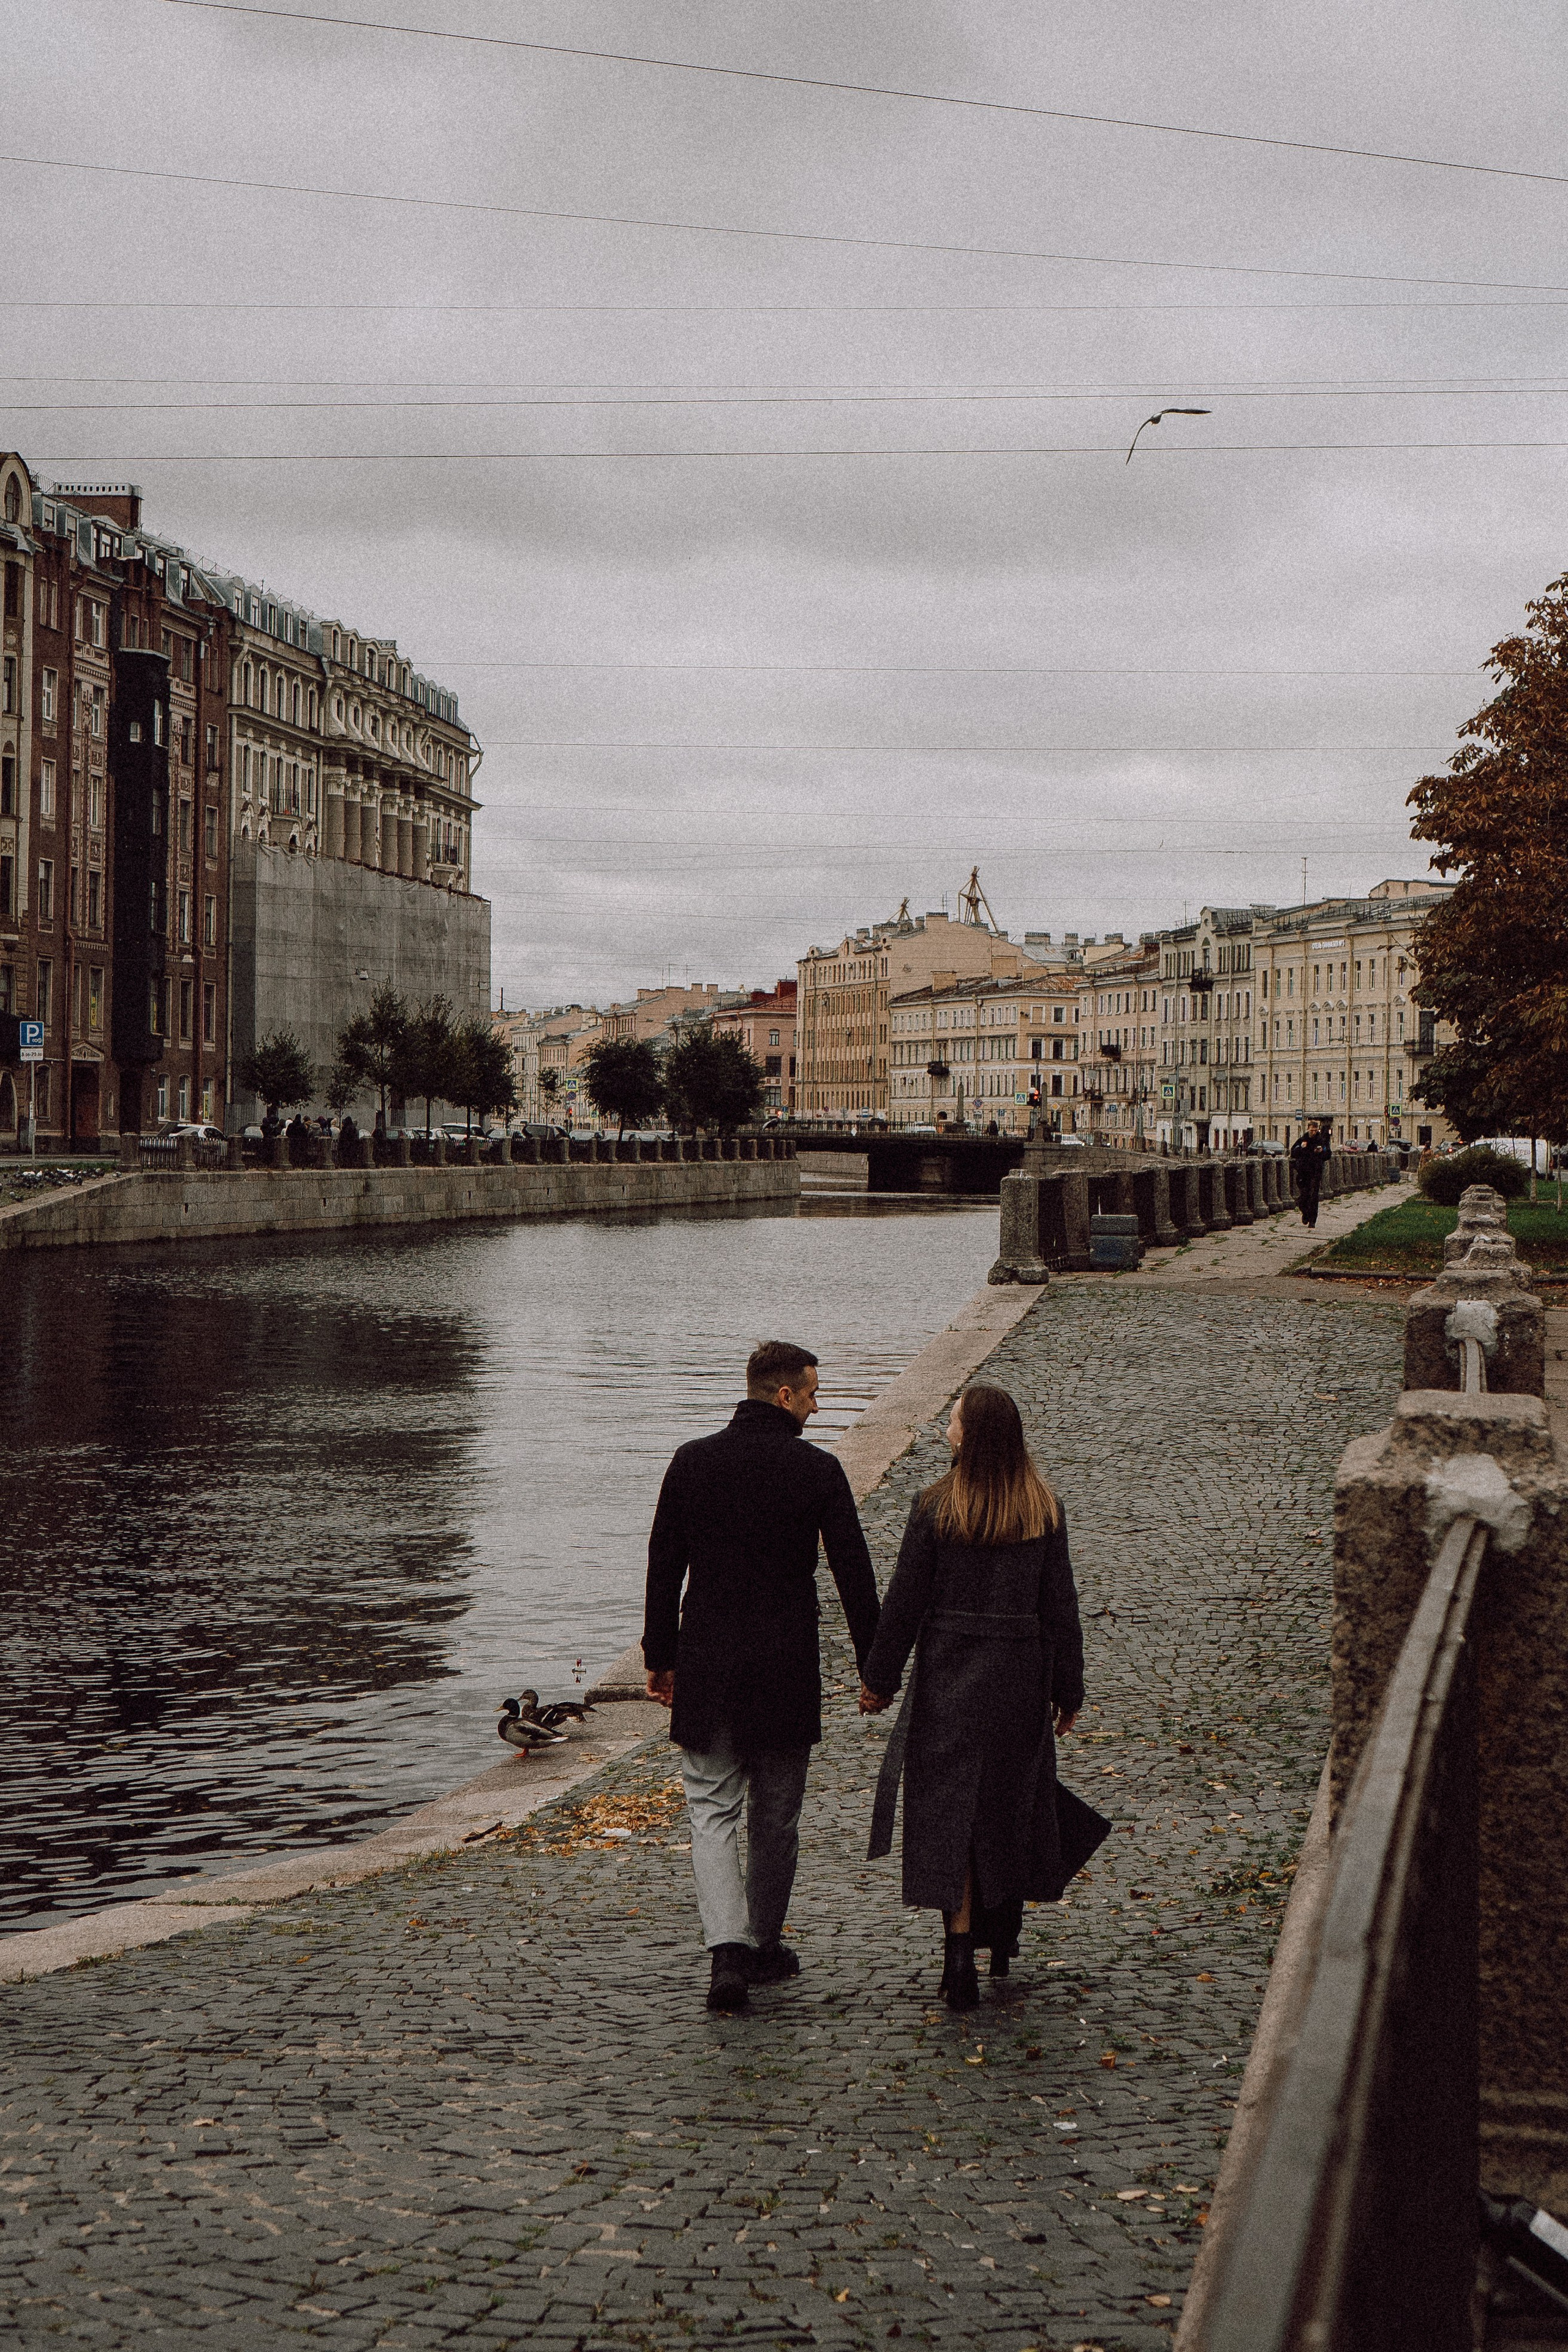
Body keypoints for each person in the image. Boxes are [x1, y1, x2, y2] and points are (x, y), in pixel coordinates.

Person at [643, 1340, 880, 2014]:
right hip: (783, 1666)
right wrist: (876, 1666)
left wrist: (661, 1658)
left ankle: (726, 1951)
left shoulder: (692, 1462)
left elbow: (664, 1565)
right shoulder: (817, 1470)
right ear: (783, 1396)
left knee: (711, 1810)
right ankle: (764, 1945)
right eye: (811, 1393)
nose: (815, 1403)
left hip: (709, 1662)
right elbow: (852, 1573)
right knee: (776, 1817)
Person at [859, 1383, 1101, 2011]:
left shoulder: (935, 1508)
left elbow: (904, 1606)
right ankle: (1003, 1937)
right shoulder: (1043, 1509)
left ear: (972, 1434)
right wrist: (1068, 1687)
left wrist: (878, 1681)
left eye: (955, 1420)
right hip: (1019, 1680)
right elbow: (1061, 1608)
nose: (947, 1429)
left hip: (949, 1679)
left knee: (951, 1816)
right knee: (1007, 1806)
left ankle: (958, 1954)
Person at [1291, 1120, 1330, 1229]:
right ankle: (1305, 1213)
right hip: (1303, 1172)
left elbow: (1328, 1154)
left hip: (1316, 1172)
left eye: (1315, 1130)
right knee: (1304, 1196)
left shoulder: (1321, 1140)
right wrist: (1301, 1148)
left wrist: (1322, 1151)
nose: (1313, 1132)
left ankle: (1312, 1220)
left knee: (1314, 1196)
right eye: (1312, 1130)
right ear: (1308, 1129)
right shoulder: (1303, 1140)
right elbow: (1293, 1152)